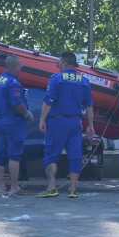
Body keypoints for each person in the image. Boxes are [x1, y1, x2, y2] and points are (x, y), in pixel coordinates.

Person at [38, 52, 95, 198]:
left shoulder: (56, 79)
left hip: (57, 122)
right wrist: (91, 125)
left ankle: (51, 187)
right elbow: (89, 106)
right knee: (75, 155)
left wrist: (42, 119)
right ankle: (73, 190)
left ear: (63, 63)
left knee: (51, 155)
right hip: (76, 122)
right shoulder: (84, 81)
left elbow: (48, 101)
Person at [0, 55, 33, 195]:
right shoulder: (13, 83)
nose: (21, 68)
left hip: (0, 120)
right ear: (14, 66)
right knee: (14, 155)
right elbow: (16, 104)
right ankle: (14, 187)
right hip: (14, 122)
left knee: (1, 155)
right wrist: (27, 114)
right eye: (20, 66)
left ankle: (1, 187)